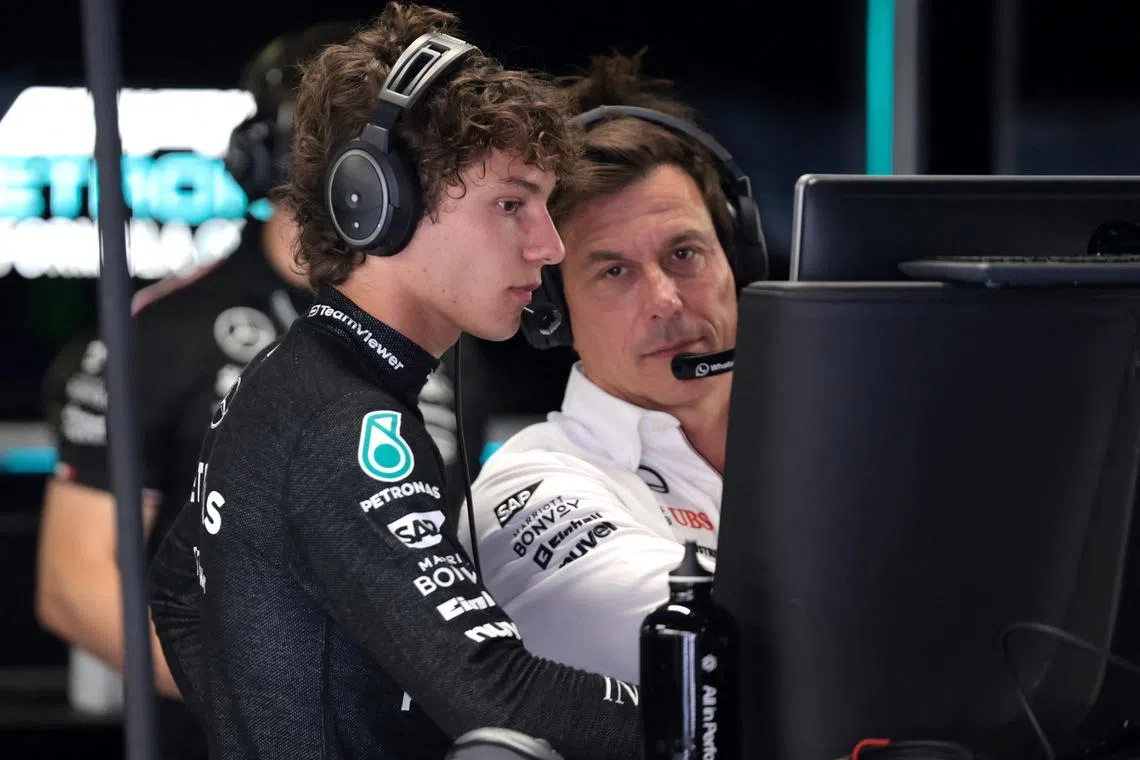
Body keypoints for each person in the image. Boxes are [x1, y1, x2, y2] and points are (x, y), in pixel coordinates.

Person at [147, 5, 643, 760]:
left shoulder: (293, 371)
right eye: (511, 204)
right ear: (379, 205)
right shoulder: (349, 424)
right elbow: (495, 692)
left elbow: (179, 590)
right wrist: (713, 717)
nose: (548, 245)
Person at [32, 20, 442, 760]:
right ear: (270, 154)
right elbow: (73, 579)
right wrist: (275, 703)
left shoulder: (450, 330)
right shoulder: (158, 334)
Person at [459, 51, 769, 685]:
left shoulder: (833, 445)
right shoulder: (525, 491)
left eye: (685, 253)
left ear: (737, 261)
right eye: (614, 271)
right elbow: (720, 650)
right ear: (553, 309)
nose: (665, 300)